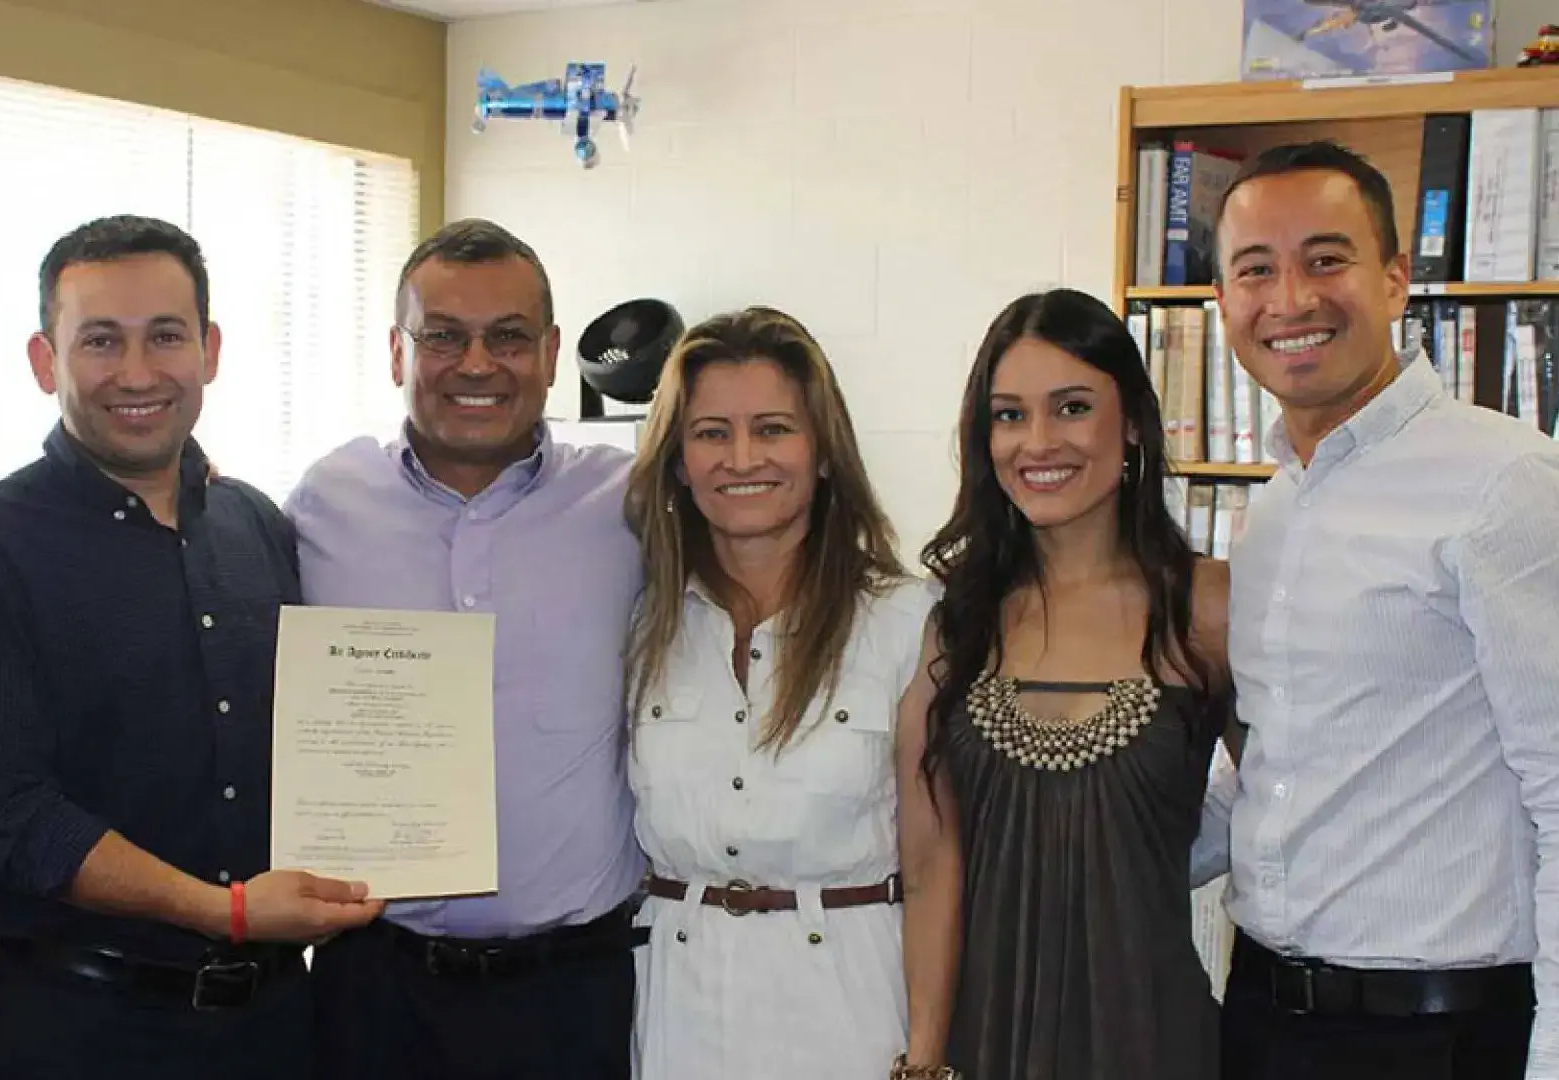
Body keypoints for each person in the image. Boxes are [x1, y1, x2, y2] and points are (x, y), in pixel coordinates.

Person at [0, 214, 383, 1080]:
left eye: (165, 336)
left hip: (277, 1027)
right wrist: (226, 911)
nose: (137, 373)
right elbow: (7, 817)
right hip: (83, 1034)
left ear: (210, 349)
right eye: (100, 341)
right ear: (45, 361)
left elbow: (325, 741)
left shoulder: (257, 526)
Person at [1210, 140, 1559, 1080]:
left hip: (1439, 1036)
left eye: (1326, 259)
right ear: (1223, 303)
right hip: (1263, 1019)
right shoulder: (1275, 510)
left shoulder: (1508, 482)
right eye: (1256, 270)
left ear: (1397, 277)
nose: (1290, 299)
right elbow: (1285, 772)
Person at [283, 217, 646, 1079]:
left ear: (553, 352)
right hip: (374, 987)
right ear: (397, 352)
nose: (477, 365)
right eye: (443, 336)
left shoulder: (631, 506)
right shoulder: (323, 503)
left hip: (573, 993)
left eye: (508, 338)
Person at [618, 306, 959, 1079]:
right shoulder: (643, 623)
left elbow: (934, 860)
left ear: (825, 452)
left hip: (849, 1008)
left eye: (773, 428)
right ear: (676, 461)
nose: (743, 458)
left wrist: (928, 1059)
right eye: (711, 433)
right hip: (680, 1009)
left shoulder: (906, 621)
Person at [918, 287, 1234, 1079]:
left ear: (1130, 423)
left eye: (1071, 407)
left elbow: (1295, 808)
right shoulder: (958, 618)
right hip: (984, 1041)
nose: (1037, 442)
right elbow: (933, 864)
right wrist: (921, 1063)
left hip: (1152, 1036)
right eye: (1009, 414)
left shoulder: (1210, 607)